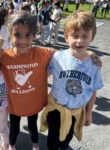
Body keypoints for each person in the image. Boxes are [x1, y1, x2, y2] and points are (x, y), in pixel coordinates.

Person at [0, 11, 102, 150]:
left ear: (33, 35)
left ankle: (36, 146)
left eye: (27, 35)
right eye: (17, 35)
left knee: (33, 128)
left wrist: (90, 53)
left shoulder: (42, 53)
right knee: (14, 129)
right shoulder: (4, 56)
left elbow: (68, 54)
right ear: (10, 34)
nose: (23, 41)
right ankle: (11, 145)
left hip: (33, 105)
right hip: (13, 106)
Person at [40, 11, 104, 150]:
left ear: (92, 37)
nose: (79, 40)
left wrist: (88, 112)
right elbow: (42, 78)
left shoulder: (94, 64)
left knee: (68, 136)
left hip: (76, 111)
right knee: (52, 139)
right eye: (75, 36)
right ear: (66, 36)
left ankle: (64, 146)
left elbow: (93, 91)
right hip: (56, 109)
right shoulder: (57, 57)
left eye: (85, 36)